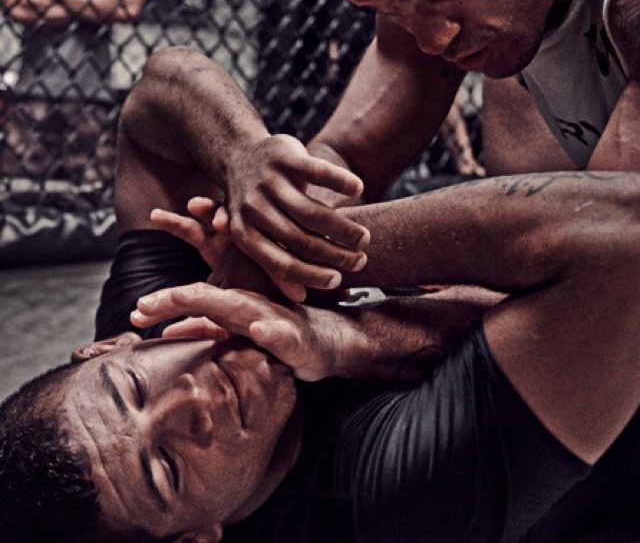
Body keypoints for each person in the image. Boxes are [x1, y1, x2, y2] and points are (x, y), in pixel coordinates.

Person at [0, 165, 639, 543]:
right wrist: (310, 264)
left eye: (132, 389)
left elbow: (158, 97)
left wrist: (248, 165)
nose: (187, 403)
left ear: (112, 347)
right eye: (166, 468)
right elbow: (623, 240)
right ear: (197, 539)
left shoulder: (159, 325)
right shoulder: (384, 501)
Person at [110, 0, 640, 297]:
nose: (433, 40)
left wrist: (300, 259)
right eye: (395, 12)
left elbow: (613, 234)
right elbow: (348, 158)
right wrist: (278, 220)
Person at [0, 0, 149, 184]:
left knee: (92, 194)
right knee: (19, 191)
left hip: (93, 92)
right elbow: (18, 5)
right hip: (33, 89)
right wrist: (98, 0)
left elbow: (128, 7)